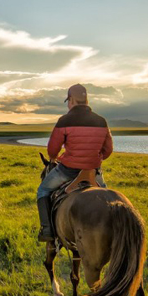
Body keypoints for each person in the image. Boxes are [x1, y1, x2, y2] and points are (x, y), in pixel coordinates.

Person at [37, 84, 113, 240]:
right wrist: (94, 160)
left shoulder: (64, 121)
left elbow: (52, 151)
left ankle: (47, 231)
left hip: (67, 171)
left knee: (43, 191)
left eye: (68, 101)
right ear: (86, 100)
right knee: (109, 199)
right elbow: (108, 150)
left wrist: (58, 157)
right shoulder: (101, 121)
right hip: (93, 171)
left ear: (71, 100)